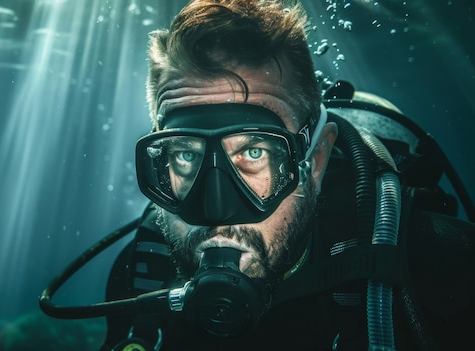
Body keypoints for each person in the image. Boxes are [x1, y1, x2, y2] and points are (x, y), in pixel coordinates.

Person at [93, 0, 475, 349]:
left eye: (254, 152)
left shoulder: (443, 268)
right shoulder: (140, 277)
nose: (215, 212)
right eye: (184, 155)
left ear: (317, 160)